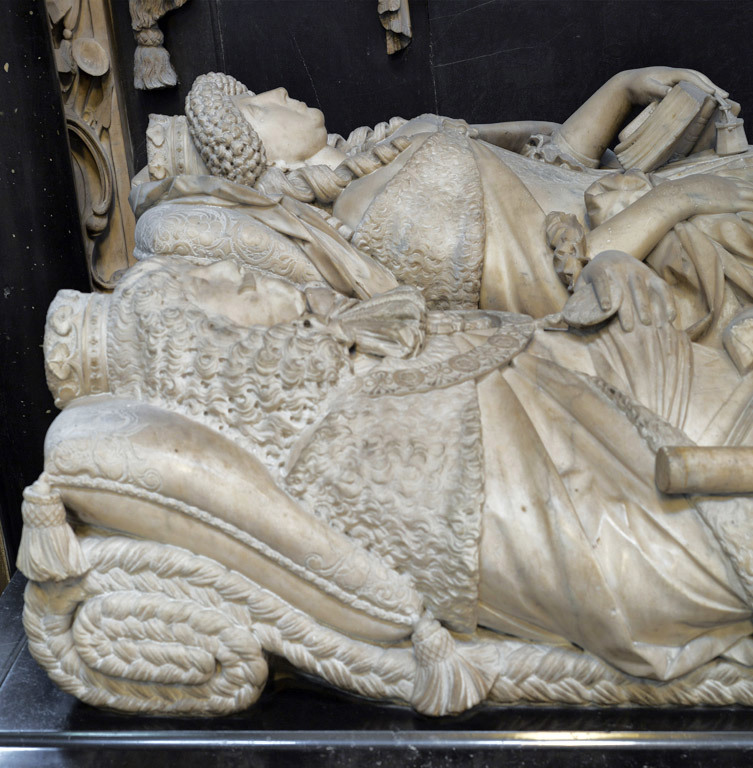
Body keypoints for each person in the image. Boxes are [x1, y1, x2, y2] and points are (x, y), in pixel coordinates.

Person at [43, 248, 753, 682]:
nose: (231, 267)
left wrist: (606, 278)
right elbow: (619, 565)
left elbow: (557, 343)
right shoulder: (348, 466)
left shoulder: (358, 349)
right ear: (205, 350)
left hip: (679, 398)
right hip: (693, 491)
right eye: (204, 282)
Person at [129, 66, 753, 345]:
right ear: (267, 164)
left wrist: (620, 90)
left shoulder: (395, 155)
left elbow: (548, 168)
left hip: (671, 215)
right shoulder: (381, 212)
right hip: (681, 262)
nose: (278, 89)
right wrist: (684, 197)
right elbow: (562, 284)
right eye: (255, 106)